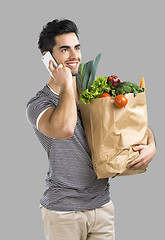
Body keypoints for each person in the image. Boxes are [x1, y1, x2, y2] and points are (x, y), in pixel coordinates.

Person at [26, 19, 156, 240]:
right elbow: (65, 128)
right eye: (64, 49)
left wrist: (152, 145)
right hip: (63, 211)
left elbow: (131, 122)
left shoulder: (94, 92)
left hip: (102, 206)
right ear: (48, 57)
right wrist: (67, 84)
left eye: (77, 47)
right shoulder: (39, 104)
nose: (74, 55)